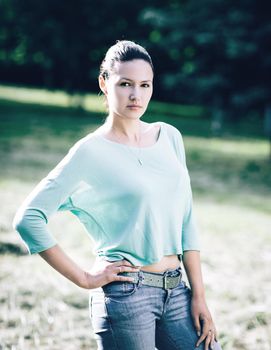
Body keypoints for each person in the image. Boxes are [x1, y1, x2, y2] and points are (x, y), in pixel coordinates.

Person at [12, 40, 222, 350]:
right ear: (104, 83)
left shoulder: (170, 137)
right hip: (126, 296)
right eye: (125, 84)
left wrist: (199, 296)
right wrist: (84, 278)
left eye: (144, 85)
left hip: (177, 290)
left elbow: (186, 220)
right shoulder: (90, 152)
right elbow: (28, 219)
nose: (136, 95)